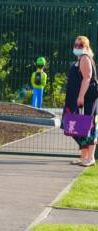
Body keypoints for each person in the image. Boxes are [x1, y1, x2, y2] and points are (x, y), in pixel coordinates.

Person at [63, 36, 98, 167]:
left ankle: (90, 158)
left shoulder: (84, 58)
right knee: (78, 126)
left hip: (87, 97)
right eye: (76, 45)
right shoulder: (80, 58)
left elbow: (87, 77)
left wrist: (81, 96)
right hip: (79, 97)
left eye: (80, 45)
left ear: (86, 47)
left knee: (88, 125)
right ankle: (84, 156)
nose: (77, 47)